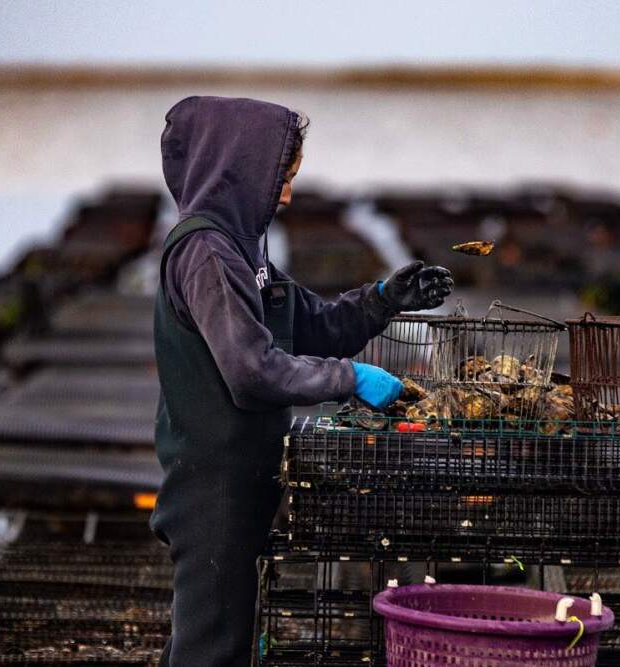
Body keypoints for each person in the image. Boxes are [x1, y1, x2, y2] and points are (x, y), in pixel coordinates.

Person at [151, 96, 453, 666]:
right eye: (280, 178)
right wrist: (350, 377)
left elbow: (311, 324)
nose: (286, 193)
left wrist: (384, 300)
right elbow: (252, 371)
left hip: (242, 476)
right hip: (212, 486)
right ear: (242, 167)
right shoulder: (207, 253)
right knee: (210, 648)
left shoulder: (241, 249)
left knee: (216, 638)